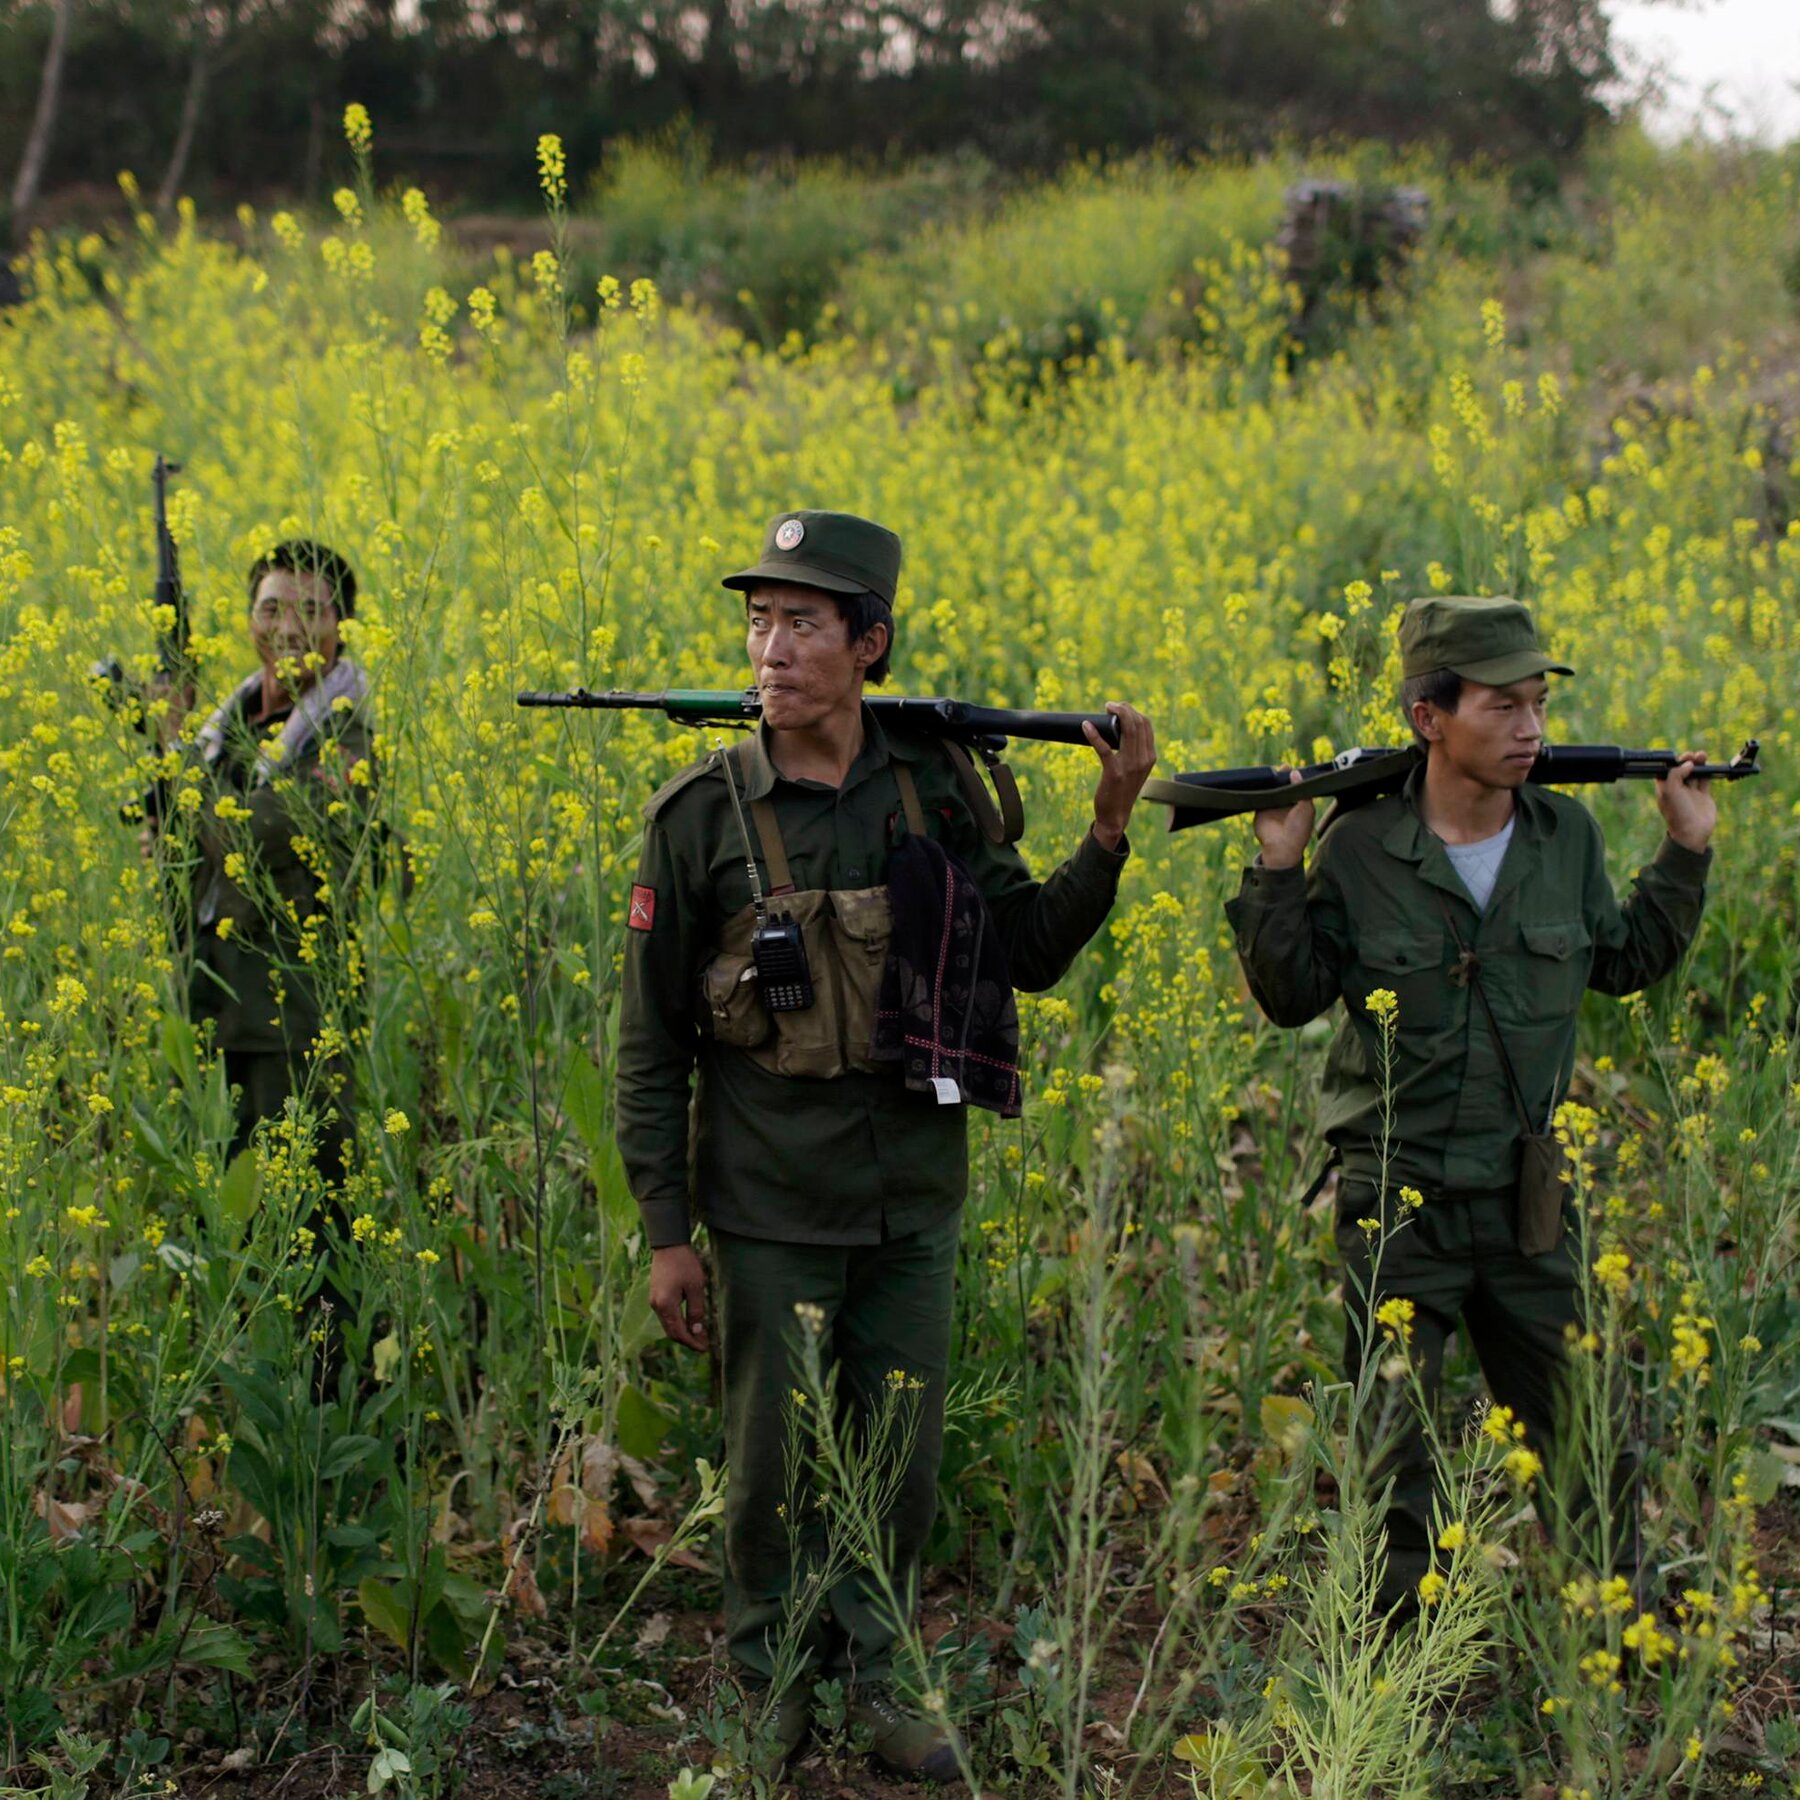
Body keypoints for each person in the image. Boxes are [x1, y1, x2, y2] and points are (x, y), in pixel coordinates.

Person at [616, 510, 1156, 1779]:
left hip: (912, 1197)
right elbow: (650, 1044)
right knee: (765, 1470)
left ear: (872, 644)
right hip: (765, 1205)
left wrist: (1111, 826)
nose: (771, 648)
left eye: (803, 623)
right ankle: (766, 1684)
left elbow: (1023, 952)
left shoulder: (935, 789)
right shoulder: (699, 816)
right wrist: (665, 1234)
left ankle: (881, 1680)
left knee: (896, 1463)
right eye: (759, 620)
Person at [1226, 595, 1716, 1617]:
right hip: (1398, 1197)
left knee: (1580, 1425)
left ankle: (1618, 1632)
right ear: (1428, 717)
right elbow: (1293, 996)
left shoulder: (1563, 836)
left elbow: (1622, 962)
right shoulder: (1361, 848)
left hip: (1529, 1194)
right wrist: (1276, 870)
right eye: (1503, 706)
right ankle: (1389, 1656)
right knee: (1392, 1440)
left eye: (1538, 704)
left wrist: (1685, 852)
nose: (1531, 728)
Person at [156, 539, 377, 1184]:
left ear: (342, 625)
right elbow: (193, 841)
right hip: (207, 1007)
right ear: (250, 618)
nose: (288, 628)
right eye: (272, 608)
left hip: (292, 1024)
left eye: (311, 610)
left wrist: (177, 754)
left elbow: (242, 834)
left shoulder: (345, 737)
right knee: (222, 1228)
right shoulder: (227, 726)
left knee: (306, 1221)